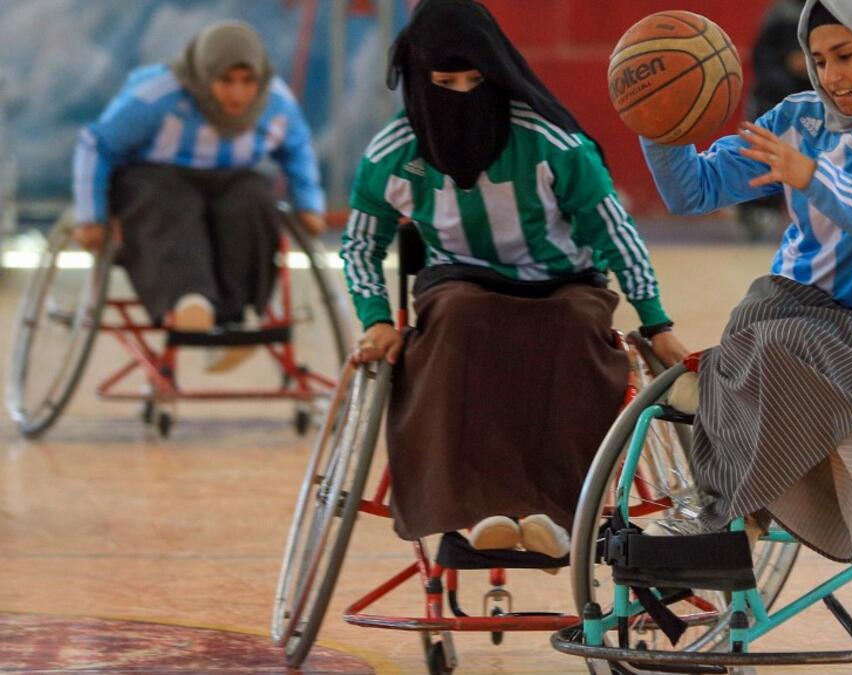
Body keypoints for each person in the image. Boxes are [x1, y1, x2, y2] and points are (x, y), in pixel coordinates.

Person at [343, 0, 689, 559]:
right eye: (444, 83)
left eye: (475, 80)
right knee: (460, 316)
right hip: (458, 282)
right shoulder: (393, 154)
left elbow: (615, 232)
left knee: (575, 324)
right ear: (418, 81)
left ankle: (563, 514)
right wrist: (376, 319)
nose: (461, 95)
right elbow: (360, 245)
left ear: (496, 72)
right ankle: (476, 514)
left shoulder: (553, 143)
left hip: (564, 281)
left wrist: (657, 323)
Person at [640, 0, 852, 562]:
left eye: (844, 56)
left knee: (773, 345)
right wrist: (658, 126)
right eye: (818, 61)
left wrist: (814, 177)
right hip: (795, 309)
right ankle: (725, 511)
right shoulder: (800, 118)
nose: (830, 76)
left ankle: (729, 517)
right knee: (755, 313)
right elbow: (694, 190)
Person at [71, 21, 326, 372]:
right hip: (156, 175)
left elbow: (297, 147)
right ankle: (189, 302)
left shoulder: (277, 101)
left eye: (247, 81)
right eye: (226, 81)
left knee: (254, 197)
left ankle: (234, 318)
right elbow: (96, 143)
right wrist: (91, 216)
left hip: (231, 179)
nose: (238, 95)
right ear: (205, 76)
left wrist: (308, 204)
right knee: (170, 201)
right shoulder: (158, 95)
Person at [736, 0, 813, 242]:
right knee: (762, 151)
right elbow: (762, 58)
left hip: (815, 101)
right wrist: (789, 66)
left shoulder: (836, 11)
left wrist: (813, 64)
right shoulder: (780, 14)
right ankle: (757, 210)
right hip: (775, 98)